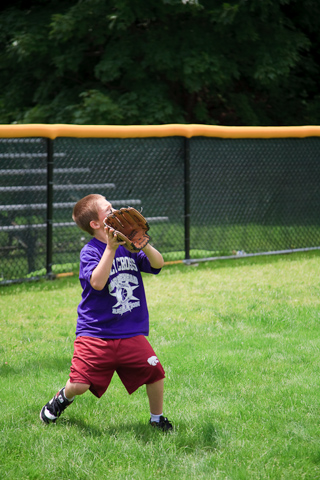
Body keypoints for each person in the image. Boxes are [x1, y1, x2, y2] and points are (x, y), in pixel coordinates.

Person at [40, 194, 172, 431]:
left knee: (154, 372)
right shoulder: (90, 252)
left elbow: (157, 264)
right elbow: (98, 283)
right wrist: (110, 248)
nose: (116, 212)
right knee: (79, 385)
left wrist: (143, 243)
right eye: (108, 209)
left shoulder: (129, 247)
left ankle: (157, 419)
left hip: (128, 331)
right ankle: (61, 398)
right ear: (95, 224)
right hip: (95, 333)